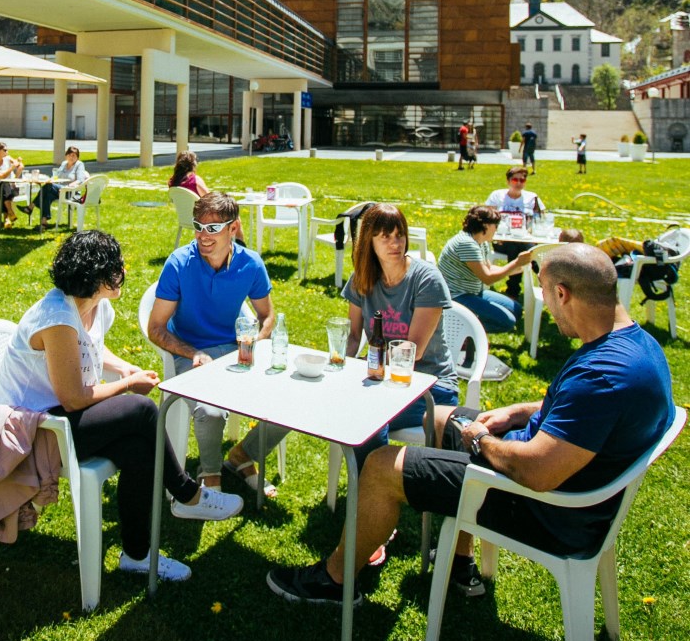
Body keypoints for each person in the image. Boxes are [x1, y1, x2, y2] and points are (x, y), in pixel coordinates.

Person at [267, 244, 675, 607]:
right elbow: (575, 408)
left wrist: (481, 440)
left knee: (378, 467)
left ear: (563, 294)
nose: (548, 307)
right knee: (442, 416)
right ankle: (459, 562)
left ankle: (335, 579)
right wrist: (517, 414)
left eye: (547, 296)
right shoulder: (634, 345)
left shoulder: (602, 376)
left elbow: (536, 470)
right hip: (565, 483)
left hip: (545, 509)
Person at [0, 230, 243, 582]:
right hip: (35, 430)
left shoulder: (95, 305)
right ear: (94, 276)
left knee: (139, 450)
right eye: (115, 267)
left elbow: (91, 348)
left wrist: (122, 367)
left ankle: (137, 556)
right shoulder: (58, 319)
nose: (123, 270)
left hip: (62, 416)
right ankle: (187, 494)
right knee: (141, 409)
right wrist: (127, 384)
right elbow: (74, 398)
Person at [148, 191, 285, 498]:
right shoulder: (179, 263)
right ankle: (210, 475)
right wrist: (192, 353)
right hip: (188, 350)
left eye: (212, 228)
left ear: (233, 229)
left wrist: (256, 341)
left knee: (289, 402)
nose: (202, 235)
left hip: (236, 351)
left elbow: (267, 315)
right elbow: (155, 328)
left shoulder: (251, 264)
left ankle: (241, 456)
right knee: (210, 413)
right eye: (198, 226)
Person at [340, 203, 460, 472]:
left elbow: (413, 351)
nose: (395, 243)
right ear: (369, 241)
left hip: (430, 385)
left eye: (399, 235)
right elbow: (353, 335)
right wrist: (340, 364)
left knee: (367, 417)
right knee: (340, 405)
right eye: (385, 236)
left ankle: (373, 483)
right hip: (379, 377)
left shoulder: (426, 278)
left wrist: (366, 365)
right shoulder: (362, 278)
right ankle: (373, 482)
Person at [438, 205, 537, 332]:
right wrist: (516, 263)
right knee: (507, 322)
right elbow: (487, 278)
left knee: (516, 310)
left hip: (473, 292)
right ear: (486, 226)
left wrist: (518, 268)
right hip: (457, 296)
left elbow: (488, 268)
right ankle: (461, 331)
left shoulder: (481, 241)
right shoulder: (466, 244)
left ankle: (470, 325)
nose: (497, 229)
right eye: (495, 225)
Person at [485, 166, 544, 300]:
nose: (518, 183)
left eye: (522, 180)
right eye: (515, 179)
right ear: (508, 181)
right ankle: (543, 280)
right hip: (501, 240)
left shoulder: (532, 198)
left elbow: (541, 220)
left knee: (522, 247)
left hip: (525, 239)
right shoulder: (497, 196)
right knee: (518, 247)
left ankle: (513, 290)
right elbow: (486, 220)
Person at [38, 146, 88, 231]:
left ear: (77, 157)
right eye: (70, 155)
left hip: (71, 192)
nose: (71, 157)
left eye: (74, 156)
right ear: (66, 155)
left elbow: (80, 180)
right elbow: (56, 176)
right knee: (48, 194)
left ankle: (31, 206)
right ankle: (44, 222)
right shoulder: (64, 164)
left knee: (48, 186)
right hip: (60, 190)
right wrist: (52, 179)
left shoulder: (79, 165)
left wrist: (68, 187)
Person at [0, 141, 30, 228]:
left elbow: (20, 166)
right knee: (3, 184)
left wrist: (15, 178)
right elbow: (2, 176)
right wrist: (12, 167)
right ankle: (9, 215)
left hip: (12, 187)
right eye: (5, 150)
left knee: (5, 187)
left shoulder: (8, 158)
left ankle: (8, 217)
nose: (7, 152)